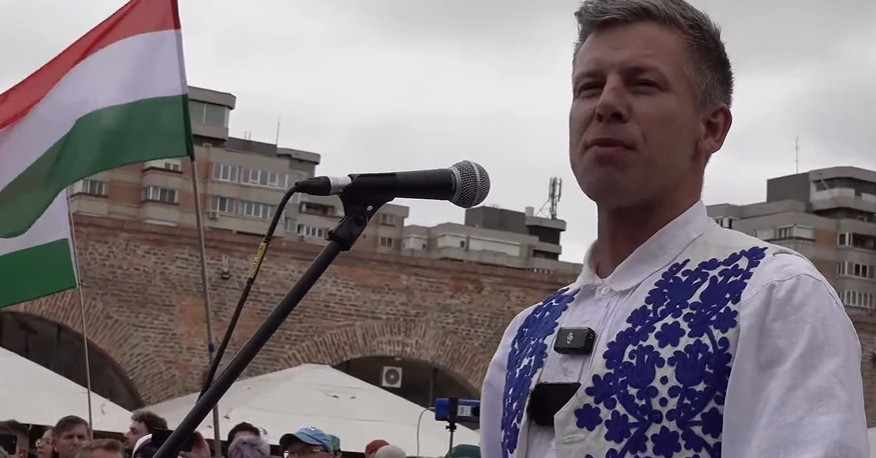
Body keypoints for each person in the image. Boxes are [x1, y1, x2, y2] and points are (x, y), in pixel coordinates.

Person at [479, 0, 869, 457]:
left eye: (642, 84)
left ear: (711, 128)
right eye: (589, 87)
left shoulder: (775, 298)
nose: (606, 104)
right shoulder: (528, 333)